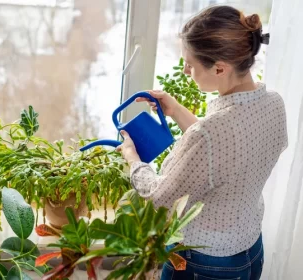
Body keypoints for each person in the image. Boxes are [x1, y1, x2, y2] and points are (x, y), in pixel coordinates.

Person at [116, 5, 288, 280]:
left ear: (220, 68)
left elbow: (160, 198)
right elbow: (227, 153)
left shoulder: (212, 133)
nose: (185, 71)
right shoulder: (273, 104)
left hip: (203, 264)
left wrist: (132, 158)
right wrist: (176, 111)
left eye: (190, 64)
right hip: (250, 251)